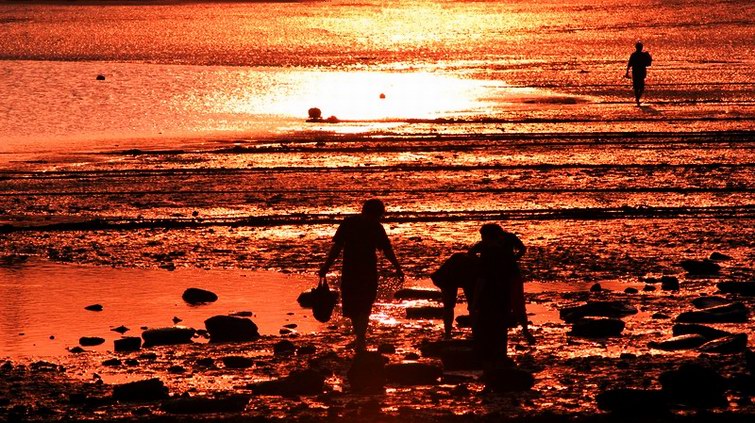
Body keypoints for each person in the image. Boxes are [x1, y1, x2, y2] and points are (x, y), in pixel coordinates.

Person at [319, 199, 404, 352]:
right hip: (359, 270)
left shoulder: (354, 224)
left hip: (359, 270)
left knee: (361, 306)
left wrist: (397, 267)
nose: (377, 218)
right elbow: (338, 247)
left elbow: (386, 249)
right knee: (358, 306)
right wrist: (326, 266)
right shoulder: (365, 225)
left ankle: (360, 338)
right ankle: (360, 337)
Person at [469, 223, 533, 367]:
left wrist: (474, 301)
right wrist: (515, 258)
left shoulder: (487, 248)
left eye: (483, 236)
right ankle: (524, 331)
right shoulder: (506, 241)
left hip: (499, 280)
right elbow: (522, 249)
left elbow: (479, 270)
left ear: (487, 235)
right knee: (516, 306)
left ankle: (495, 349)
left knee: (498, 313)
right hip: (510, 276)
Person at [430, 252, 479, 339]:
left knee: (471, 305)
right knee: (450, 305)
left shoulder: (474, 265)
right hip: (448, 275)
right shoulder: (473, 268)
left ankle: (475, 334)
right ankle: (448, 334)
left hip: (457, 272)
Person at [625, 41, 653, 106]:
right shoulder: (642, 55)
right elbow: (648, 63)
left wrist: (627, 72)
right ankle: (637, 98)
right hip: (641, 72)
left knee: (637, 87)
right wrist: (648, 56)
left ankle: (637, 98)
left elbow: (629, 64)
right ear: (641, 47)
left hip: (636, 72)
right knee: (641, 87)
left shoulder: (634, 55)